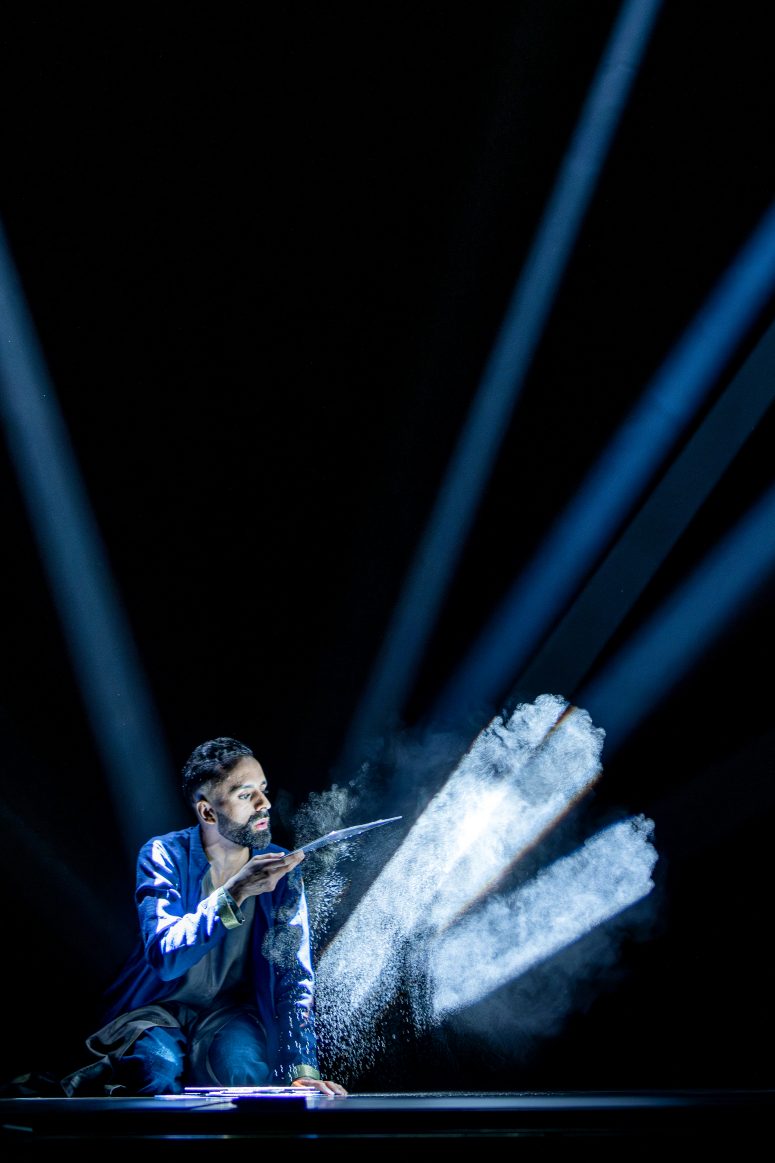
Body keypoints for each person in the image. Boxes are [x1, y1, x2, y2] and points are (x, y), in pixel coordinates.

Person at [62, 736, 347, 1097]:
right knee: (155, 1071)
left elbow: (294, 979)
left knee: (244, 1071)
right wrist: (235, 892)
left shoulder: (282, 869)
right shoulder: (163, 854)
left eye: (263, 790)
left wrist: (301, 1069)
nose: (264, 804)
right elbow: (166, 958)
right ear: (208, 812)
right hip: (156, 1009)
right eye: (246, 795)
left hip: (229, 1013)